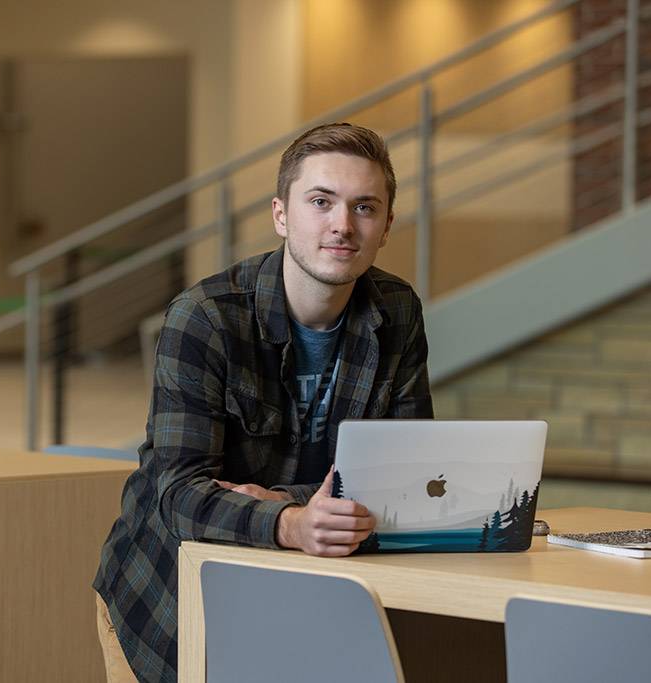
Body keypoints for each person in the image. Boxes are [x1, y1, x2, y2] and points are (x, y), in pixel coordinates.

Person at [93, 122, 433, 682]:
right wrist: (296, 522)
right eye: (320, 201)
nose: (342, 225)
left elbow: (410, 472)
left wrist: (283, 502)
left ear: (387, 226)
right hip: (165, 602)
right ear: (281, 214)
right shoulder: (205, 316)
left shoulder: (397, 311)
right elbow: (178, 496)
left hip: (304, 594)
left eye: (364, 207)